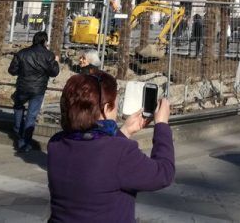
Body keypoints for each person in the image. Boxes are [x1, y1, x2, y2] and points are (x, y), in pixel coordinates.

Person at [47, 72, 174, 222]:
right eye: (115, 105)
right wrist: (162, 125)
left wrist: (125, 131)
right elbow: (163, 173)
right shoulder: (120, 152)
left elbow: (98, 159)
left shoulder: (56, 144)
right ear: (106, 108)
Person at [8, 30, 60, 153]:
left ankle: (18, 132)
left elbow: (12, 70)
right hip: (38, 90)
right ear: (45, 41)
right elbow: (54, 73)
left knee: (18, 107)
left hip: (22, 87)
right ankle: (25, 142)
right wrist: (56, 61)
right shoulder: (49, 55)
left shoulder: (22, 53)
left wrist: (22, 70)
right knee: (31, 116)